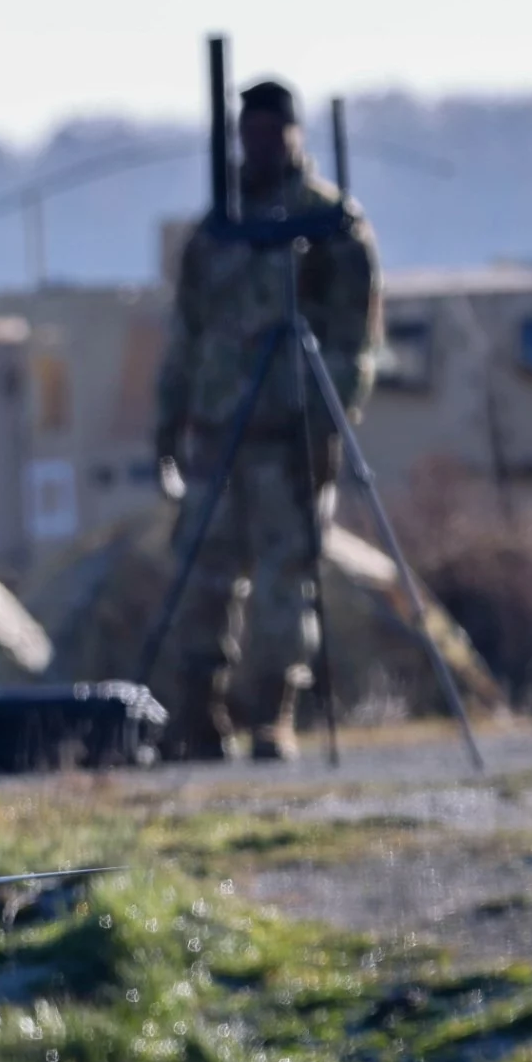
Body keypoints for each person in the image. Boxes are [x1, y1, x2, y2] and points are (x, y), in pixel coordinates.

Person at [153, 77, 382, 762]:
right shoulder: (216, 227)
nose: (255, 147)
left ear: (293, 133)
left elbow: (353, 342)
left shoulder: (329, 224)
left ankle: (271, 713)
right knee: (201, 573)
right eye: (245, 132)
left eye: (268, 132)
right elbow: (186, 333)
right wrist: (168, 423)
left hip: (289, 434)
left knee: (286, 578)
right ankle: (196, 712)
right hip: (217, 429)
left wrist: (326, 423)